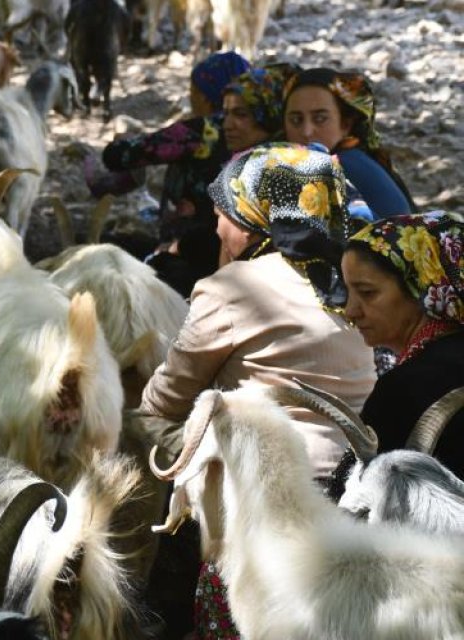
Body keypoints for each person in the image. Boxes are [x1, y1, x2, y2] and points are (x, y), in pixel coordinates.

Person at [141, 143, 377, 638]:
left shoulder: (234, 288)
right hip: (352, 495)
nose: (217, 229)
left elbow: (163, 402)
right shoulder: (356, 282)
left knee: (156, 433)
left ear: (250, 221)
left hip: (262, 500)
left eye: (221, 215)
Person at [96, 52, 250, 297]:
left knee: (105, 247)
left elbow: (118, 156)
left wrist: (121, 143)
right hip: (227, 254)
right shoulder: (262, 132)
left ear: (207, 94)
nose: (190, 97)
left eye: (193, 90)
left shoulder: (202, 131)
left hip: (187, 250)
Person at [343, 211, 464, 474]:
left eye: (367, 293)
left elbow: (353, 494)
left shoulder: (403, 391)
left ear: (421, 288)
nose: (350, 310)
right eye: (348, 292)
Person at [285, 68, 415, 220]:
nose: (306, 131)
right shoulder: (355, 157)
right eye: (296, 120)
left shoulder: (341, 165)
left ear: (346, 124)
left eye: (320, 119)